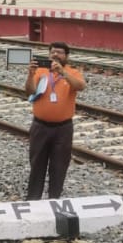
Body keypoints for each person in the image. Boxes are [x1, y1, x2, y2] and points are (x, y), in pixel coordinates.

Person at [25, 41, 86, 201]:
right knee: (37, 164)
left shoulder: (72, 72)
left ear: (66, 56)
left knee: (59, 167)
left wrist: (63, 73)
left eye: (59, 52)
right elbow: (30, 91)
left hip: (63, 129)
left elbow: (80, 86)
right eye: (52, 52)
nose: (55, 55)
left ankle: (54, 199)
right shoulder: (40, 71)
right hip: (40, 126)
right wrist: (30, 74)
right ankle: (33, 200)